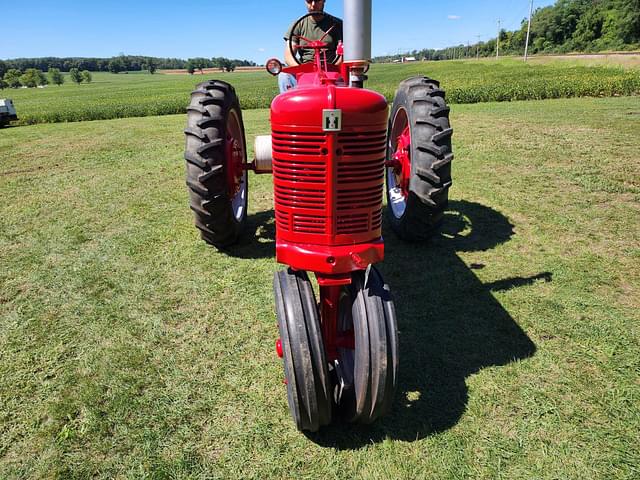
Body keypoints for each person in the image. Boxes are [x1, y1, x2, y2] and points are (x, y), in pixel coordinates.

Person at [278, 0, 343, 93]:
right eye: (309, 1)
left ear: (324, 1)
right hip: (304, 70)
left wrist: (333, 67)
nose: (313, 5)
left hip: (331, 70)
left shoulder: (337, 24)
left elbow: (345, 53)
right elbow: (288, 55)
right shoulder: (298, 25)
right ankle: (290, 105)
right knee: (284, 75)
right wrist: (301, 70)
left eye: (317, 1)